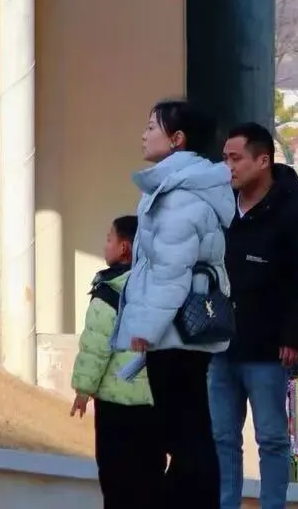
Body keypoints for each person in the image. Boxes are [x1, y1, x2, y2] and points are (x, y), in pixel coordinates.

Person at [115, 99, 235, 509]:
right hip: (182, 331)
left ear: (177, 139)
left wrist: (145, 329)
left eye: (152, 127)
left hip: (174, 332)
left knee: (185, 435)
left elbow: (170, 271)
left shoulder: (178, 196)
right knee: (189, 431)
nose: (144, 135)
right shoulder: (183, 189)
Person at [212, 123, 298, 509]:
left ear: (263, 160)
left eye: (236, 158)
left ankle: (273, 503)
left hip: (269, 347)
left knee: (272, 438)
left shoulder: (296, 212)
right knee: (222, 437)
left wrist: (295, 336)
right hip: (219, 341)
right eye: (225, 158)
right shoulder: (221, 206)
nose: (228, 167)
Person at [70, 214, 164, 509]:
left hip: (115, 405)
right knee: (151, 478)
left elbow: (96, 347)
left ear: (124, 248)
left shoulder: (109, 291)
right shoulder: (162, 289)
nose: (105, 245)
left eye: (109, 238)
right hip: (153, 404)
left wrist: (83, 390)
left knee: (115, 479)